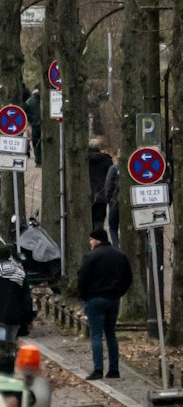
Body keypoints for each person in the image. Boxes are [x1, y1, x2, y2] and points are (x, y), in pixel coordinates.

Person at [75, 227, 131, 380]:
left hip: (95, 299)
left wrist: (84, 296)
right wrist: (119, 293)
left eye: (91, 239)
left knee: (96, 335)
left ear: (97, 240)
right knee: (111, 334)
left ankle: (98, 369)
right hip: (114, 299)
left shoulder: (91, 256)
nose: (90, 242)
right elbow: (128, 277)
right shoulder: (120, 255)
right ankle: (114, 370)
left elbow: (82, 279)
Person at [88, 138, 119, 243]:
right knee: (99, 220)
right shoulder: (106, 160)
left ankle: (90, 240)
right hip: (102, 194)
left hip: (88, 194)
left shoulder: (84, 160)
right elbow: (111, 179)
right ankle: (98, 240)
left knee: (88, 219)